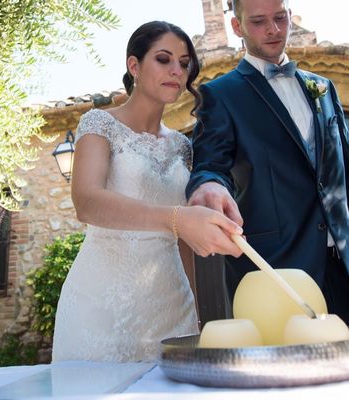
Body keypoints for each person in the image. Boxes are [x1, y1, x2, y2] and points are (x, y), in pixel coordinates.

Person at [186, 0, 349, 328]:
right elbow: (210, 163)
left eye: (280, 17)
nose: (273, 29)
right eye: (258, 21)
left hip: (346, 272)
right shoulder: (221, 95)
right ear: (237, 26)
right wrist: (208, 184)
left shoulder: (324, 88)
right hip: (275, 277)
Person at [52, 21, 243, 362]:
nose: (176, 70)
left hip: (171, 307)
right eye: (164, 59)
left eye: (184, 64)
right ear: (134, 66)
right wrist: (177, 218)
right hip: (101, 305)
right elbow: (87, 202)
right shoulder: (99, 124)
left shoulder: (183, 146)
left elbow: (184, 241)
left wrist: (194, 307)